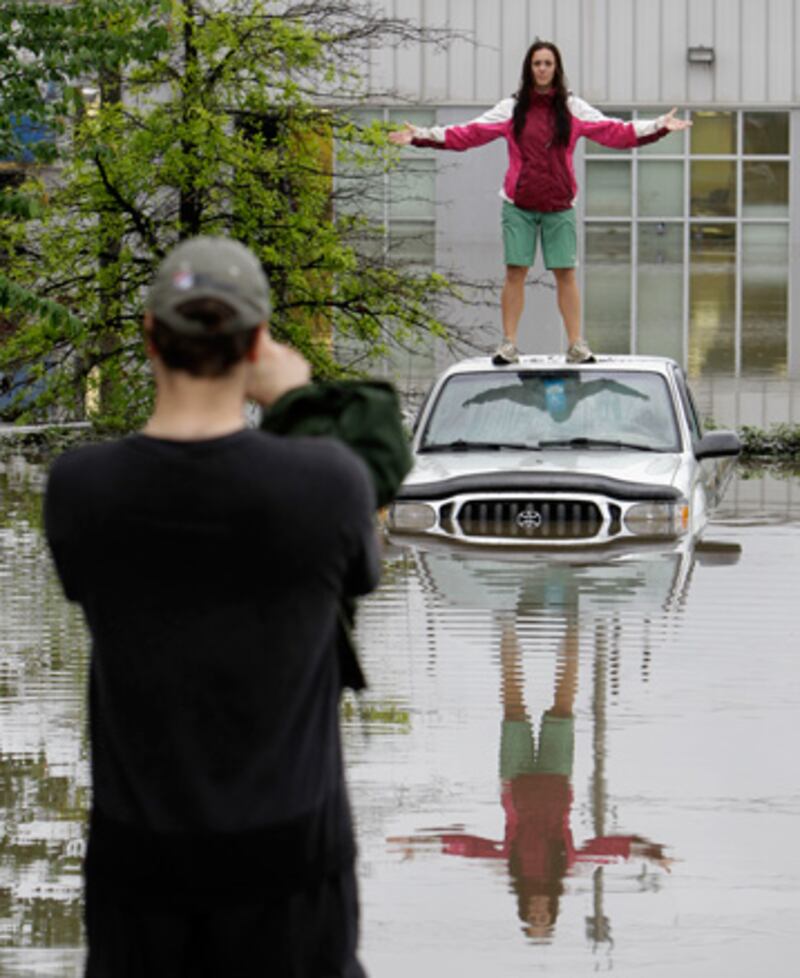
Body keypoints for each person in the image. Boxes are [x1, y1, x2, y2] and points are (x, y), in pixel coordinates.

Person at [44, 236, 383, 977]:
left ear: (148, 336)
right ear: (258, 342)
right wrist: (298, 400)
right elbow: (359, 571)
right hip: (292, 866)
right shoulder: (328, 484)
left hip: (140, 871)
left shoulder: (80, 489)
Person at [388, 40, 691, 366]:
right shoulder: (512, 108)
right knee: (515, 271)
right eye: (537, 63)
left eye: (548, 63)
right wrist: (421, 135)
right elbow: (469, 133)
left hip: (560, 205)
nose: (543, 69)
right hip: (518, 204)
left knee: (566, 273)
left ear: (556, 68)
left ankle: (576, 345)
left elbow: (615, 131)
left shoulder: (573, 108)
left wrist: (658, 127)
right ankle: (508, 345)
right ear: (529, 69)